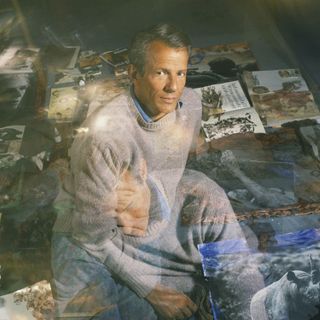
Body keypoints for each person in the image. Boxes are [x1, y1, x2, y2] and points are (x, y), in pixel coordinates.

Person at [51, 23, 255, 320]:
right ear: (134, 74)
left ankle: (254, 310)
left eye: (181, 73)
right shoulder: (104, 138)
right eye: (161, 73)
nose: (174, 87)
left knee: (210, 192)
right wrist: (151, 288)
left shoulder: (191, 104)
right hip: (106, 234)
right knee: (111, 306)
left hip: (156, 211)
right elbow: (90, 233)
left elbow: (172, 166)